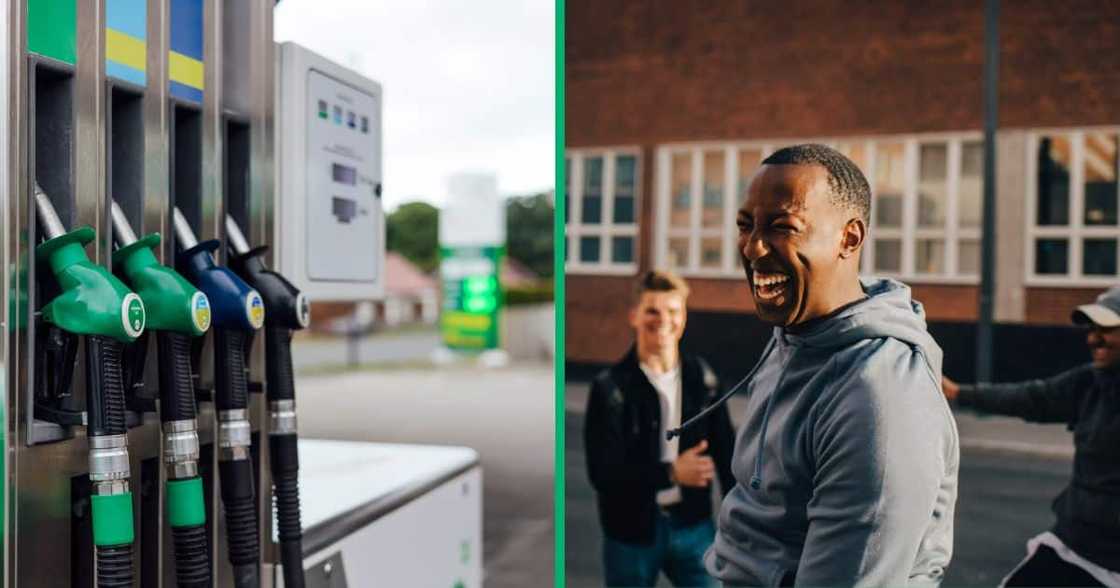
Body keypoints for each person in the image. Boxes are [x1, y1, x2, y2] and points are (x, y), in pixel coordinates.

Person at [704, 144, 959, 586]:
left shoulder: (879, 397)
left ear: (850, 238)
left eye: (783, 227)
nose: (752, 247)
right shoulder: (792, 338)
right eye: (746, 226)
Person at [942, 286, 1120, 587]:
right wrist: (960, 394)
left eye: (1107, 329)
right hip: (1074, 545)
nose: (1093, 338)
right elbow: (1033, 398)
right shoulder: (1090, 382)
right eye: (1091, 330)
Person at [584, 270, 736, 587]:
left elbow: (728, 455)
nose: (663, 319)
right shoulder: (610, 388)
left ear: (684, 317)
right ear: (634, 316)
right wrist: (671, 473)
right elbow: (603, 474)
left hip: (694, 528)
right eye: (652, 310)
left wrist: (741, 530)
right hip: (630, 535)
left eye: (673, 311)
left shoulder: (704, 380)